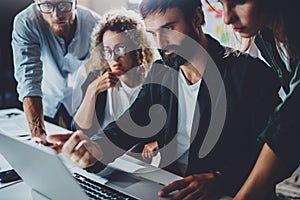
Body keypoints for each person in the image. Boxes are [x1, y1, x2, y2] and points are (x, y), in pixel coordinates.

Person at [47, 0, 281, 199]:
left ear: (197, 17)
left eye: (169, 27)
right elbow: (126, 129)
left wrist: (223, 179)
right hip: (166, 189)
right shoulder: (160, 73)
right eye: (153, 33)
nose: (161, 44)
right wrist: (94, 148)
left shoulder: (250, 75)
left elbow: (275, 154)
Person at [208, 0, 300, 199]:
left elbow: (292, 116)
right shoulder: (265, 36)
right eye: (221, 3)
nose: (226, 18)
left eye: (238, 2)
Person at [11, 0, 100, 141]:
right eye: (47, 5)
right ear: (36, 2)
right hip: (43, 101)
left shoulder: (95, 24)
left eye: (63, 5)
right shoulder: (26, 22)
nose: (56, 14)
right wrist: (38, 134)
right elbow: (28, 78)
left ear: (75, 2)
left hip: (77, 100)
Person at [73, 9, 154, 141]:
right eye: (107, 51)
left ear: (136, 48)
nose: (113, 58)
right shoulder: (96, 77)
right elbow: (79, 130)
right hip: (101, 150)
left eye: (120, 49)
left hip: (137, 159)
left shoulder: (152, 81)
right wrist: (92, 91)